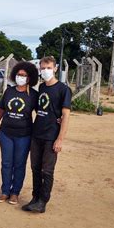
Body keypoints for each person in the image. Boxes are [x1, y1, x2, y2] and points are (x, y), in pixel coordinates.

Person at [22, 56, 71, 214]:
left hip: (51, 137)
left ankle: (43, 201)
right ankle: (35, 198)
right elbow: (41, 108)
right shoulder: (42, 87)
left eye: (48, 68)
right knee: (35, 168)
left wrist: (60, 139)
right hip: (37, 135)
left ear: (55, 69)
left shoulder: (64, 89)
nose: (45, 71)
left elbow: (66, 116)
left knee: (47, 171)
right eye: (42, 68)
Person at [0, 62, 39, 205]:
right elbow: (0, 110)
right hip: (6, 134)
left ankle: (15, 193)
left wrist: (56, 119)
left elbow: (41, 113)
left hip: (24, 136)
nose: (20, 77)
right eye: (18, 75)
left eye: (23, 75)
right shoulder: (9, 91)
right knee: (6, 163)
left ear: (29, 78)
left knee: (19, 164)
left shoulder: (34, 95)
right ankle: (5, 191)